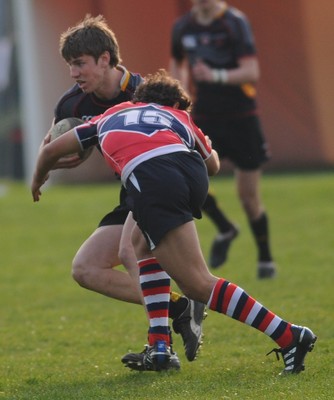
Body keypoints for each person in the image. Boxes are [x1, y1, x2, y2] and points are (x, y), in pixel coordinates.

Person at [31, 69, 316, 374]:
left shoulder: (108, 116)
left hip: (152, 177)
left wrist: (38, 180)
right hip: (189, 173)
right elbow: (214, 166)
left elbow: (50, 150)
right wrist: (203, 144)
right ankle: (160, 347)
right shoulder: (179, 118)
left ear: (138, 100)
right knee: (140, 246)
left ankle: (290, 336)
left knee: (197, 283)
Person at [41, 14, 206, 368]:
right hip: (130, 193)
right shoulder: (71, 106)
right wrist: (57, 156)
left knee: (132, 252)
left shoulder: (146, 93)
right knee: (85, 268)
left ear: (105, 59)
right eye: (70, 65)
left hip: (162, 187)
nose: (74, 73)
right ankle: (179, 306)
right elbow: (56, 143)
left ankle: (161, 348)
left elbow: (189, 140)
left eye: (80, 64)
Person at [169, 0, 276, 278]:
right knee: (188, 180)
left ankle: (265, 259)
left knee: (248, 197)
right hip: (205, 116)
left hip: (242, 117)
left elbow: (251, 71)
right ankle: (226, 228)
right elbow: (177, 64)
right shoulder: (183, 27)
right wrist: (177, 95)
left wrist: (215, 75)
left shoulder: (234, 23)